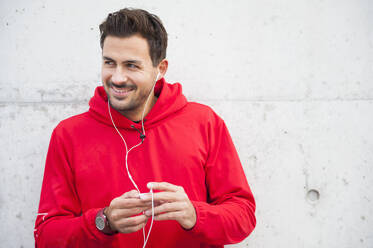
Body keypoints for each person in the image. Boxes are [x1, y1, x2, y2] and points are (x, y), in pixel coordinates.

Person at [34, 8, 256, 248]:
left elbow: (243, 216)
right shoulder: (69, 135)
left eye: (131, 65)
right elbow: (46, 236)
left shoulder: (204, 122)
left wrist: (194, 215)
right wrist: (103, 221)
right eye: (110, 63)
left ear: (160, 69)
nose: (117, 78)